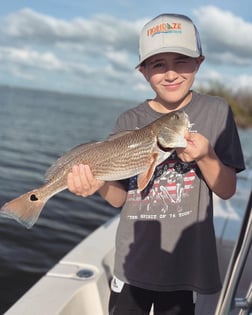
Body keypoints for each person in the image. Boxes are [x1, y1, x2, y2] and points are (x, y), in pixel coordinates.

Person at [67, 13, 245, 315]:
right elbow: (119, 198)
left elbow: (226, 190)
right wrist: (97, 183)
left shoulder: (217, 111)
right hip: (133, 263)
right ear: (143, 70)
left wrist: (206, 156)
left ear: (199, 62)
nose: (171, 73)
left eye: (182, 60)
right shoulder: (129, 120)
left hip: (184, 266)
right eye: (158, 64)